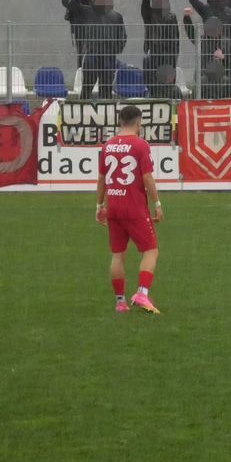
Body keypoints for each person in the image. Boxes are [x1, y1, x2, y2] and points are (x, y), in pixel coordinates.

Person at [96, 104, 163, 314]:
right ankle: (142, 293)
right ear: (138, 122)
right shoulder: (140, 145)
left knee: (117, 255)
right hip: (134, 207)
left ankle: (120, 302)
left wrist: (100, 205)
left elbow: (101, 179)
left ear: (120, 122)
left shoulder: (108, 145)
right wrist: (158, 203)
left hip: (113, 206)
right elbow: (146, 177)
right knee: (151, 251)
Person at [69, 0, 126, 100]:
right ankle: (83, 109)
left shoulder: (116, 16)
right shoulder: (87, 11)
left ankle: (106, 112)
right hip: (92, 55)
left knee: (106, 88)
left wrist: (116, 48)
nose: (102, 1)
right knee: (87, 86)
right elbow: (72, 5)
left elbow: (122, 36)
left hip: (108, 57)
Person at [140, 0, 183, 98]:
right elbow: (144, 10)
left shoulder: (171, 16)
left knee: (166, 82)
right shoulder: (150, 15)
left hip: (168, 54)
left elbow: (175, 37)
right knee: (152, 79)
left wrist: (174, 55)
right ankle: (154, 97)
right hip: (154, 51)